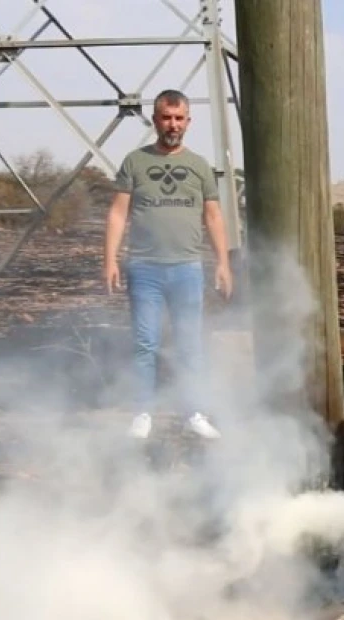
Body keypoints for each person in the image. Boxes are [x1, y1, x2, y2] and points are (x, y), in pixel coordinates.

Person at [103, 89, 233, 440]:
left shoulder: (199, 166)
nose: (172, 124)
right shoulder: (135, 162)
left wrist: (223, 263)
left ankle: (194, 412)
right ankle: (142, 412)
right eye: (166, 117)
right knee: (145, 343)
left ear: (188, 122)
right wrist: (110, 259)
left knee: (190, 344)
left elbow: (214, 217)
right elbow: (118, 213)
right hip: (144, 268)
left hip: (187, 268)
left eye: (179, 118)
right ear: (155, 119)